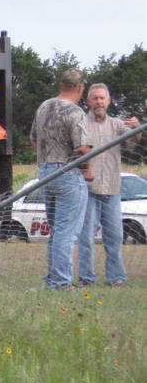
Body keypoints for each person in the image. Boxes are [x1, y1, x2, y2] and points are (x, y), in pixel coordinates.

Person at [30, 68, 94, 290]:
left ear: (62, 84)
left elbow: (33, 139)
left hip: (45, 172)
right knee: (67, 232)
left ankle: (52, 278)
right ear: (81, 87)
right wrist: (87, 169)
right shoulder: (76, 112)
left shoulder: (43, 107)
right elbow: (82, 148)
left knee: (56, 231)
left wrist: (47, 158)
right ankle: (61, 282)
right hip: (68, 173)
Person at [78, 83, 141, 287]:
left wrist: (136, 127)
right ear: (88, 101)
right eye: (95, 98)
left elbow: (133, 142)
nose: (99, 102)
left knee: (114, 237)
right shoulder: (81, 123)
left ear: (108, 101)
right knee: (86, 238)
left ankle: (116, 278)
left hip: (112, 190)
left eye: (102, 98)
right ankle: (86, 278)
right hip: (88, 189)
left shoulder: (117, 125)